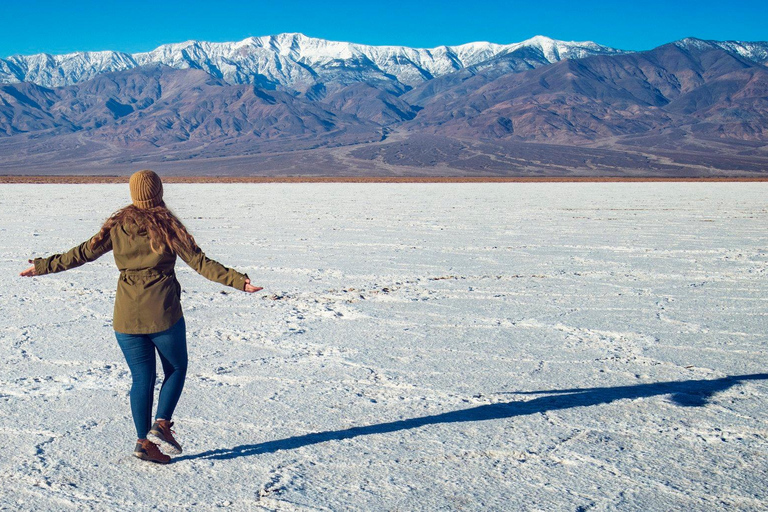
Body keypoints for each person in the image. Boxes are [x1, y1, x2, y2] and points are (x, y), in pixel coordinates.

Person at [19, 170, 262, 464]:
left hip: (125, 316)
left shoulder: (117, 226)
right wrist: (238, 281)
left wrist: (42, 266)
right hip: (163, 314)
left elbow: (81, 254)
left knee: (142, 378)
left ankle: (143, 444)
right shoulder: (169, 227)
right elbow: (200, 262)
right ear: (159, 193)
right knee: (176, 369)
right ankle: (161, 424)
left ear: (134, 194)